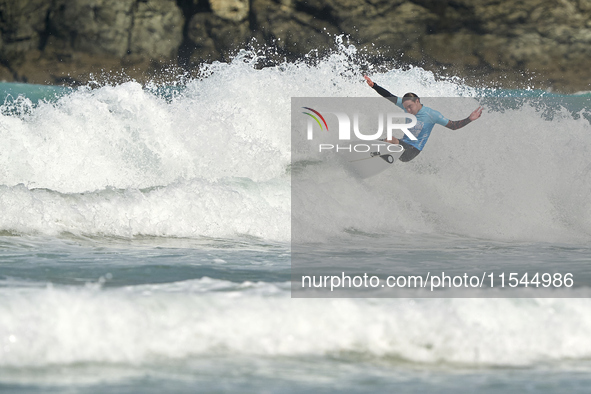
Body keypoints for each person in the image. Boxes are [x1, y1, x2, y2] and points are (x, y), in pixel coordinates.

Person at [364, 75, 483, 162]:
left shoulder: (432, 115)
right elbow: (388, 95)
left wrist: (469, 119)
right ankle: (365, 153)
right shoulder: (406, 105)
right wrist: (374, 85)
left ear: (417, 101)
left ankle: (376, 159)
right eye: (406, 108)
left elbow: (453, 126)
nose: (408, 111)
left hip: (412, 151)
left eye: (410, 107)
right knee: (377, 142)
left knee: (389, 139)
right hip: (403, 144)